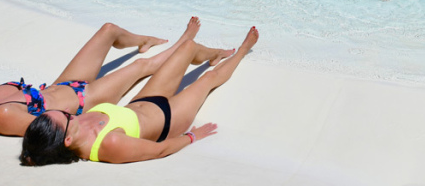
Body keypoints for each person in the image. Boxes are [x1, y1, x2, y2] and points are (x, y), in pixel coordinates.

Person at [20, 21, 258, 166]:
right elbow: (159, 151)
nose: (68, 113)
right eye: (66, 117)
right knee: (208, 80)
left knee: (188, 48)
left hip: (142, 103)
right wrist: (192, 137)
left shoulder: (73, 126)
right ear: (68, 140)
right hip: (168, 119)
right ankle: (242, 51)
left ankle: (213, 54)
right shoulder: (108, 145)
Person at [0, 22, 170, 142]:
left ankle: (142, 40)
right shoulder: (0, 115)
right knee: (142, 67)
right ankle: (190, 46)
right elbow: (56, 130)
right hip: (85, 100)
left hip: (64, 85)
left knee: (108, 30)